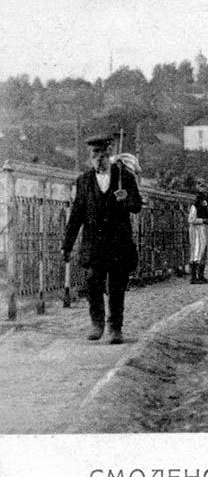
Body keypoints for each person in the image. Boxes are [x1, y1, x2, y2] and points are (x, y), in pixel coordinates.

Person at [61, 133, 143, 344]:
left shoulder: (124, 176)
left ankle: (115, 328)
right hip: (94, 243)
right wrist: (67, 245)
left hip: (118, 243)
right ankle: (97, 324)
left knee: (117, 287)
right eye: (95, 154)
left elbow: (137, 205)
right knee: (93, 284)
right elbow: (77, 214)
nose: (100, 158)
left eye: (104, 154)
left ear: (110, 155)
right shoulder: (84, 181)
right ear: (90, 157)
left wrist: (126, 199)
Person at [188, 184, 208, 284]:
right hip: (197, 230)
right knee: (197, 251)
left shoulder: (207, 205)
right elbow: (191, 219)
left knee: (205, 251)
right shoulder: (195, 205)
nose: (204, 195)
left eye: (206, 193)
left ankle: (201, 276)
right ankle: (193, 277)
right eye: (202, 193)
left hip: (205, 229)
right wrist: (203, 220)